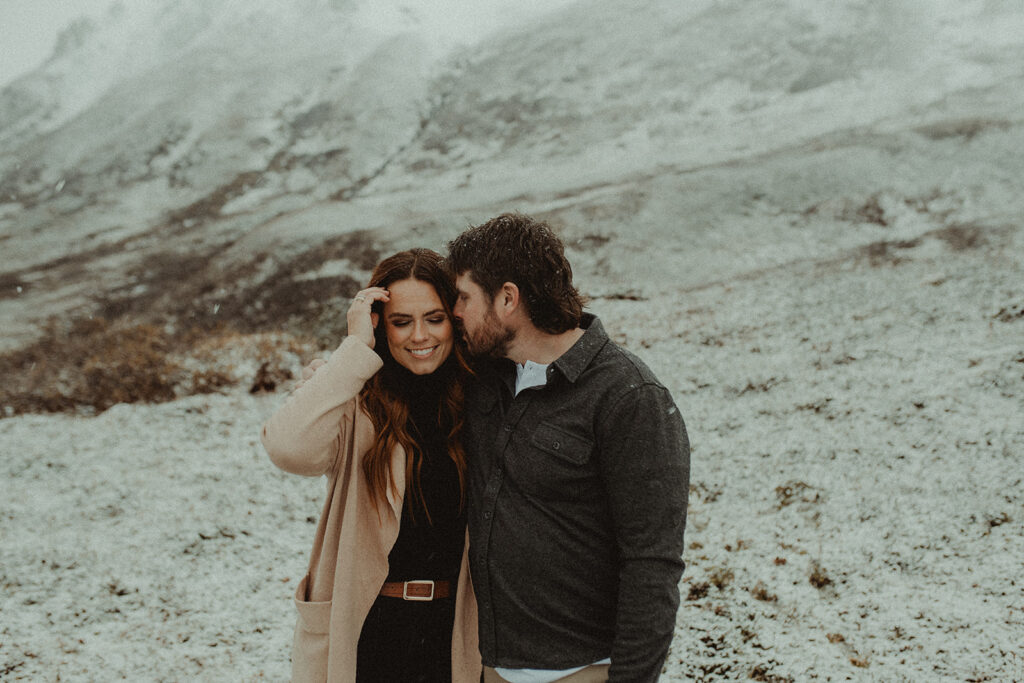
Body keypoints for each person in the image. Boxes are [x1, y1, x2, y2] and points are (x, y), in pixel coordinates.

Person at [446, 213, 690, 683]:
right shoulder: (483, 375)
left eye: (463, 297)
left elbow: (652, 565)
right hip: (489, 668)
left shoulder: (629, 397)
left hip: (582, 671)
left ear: (508, 299)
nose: (455, 312)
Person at [261, 248, 482, 682]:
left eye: (434, 318)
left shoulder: (479, 401)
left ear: (453, 321)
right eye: (401, 322)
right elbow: (287, 448)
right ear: (382, 325)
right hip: (369, 633)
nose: (420, 335)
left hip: (455, 634)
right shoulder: (355, 399)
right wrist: (352, 352)